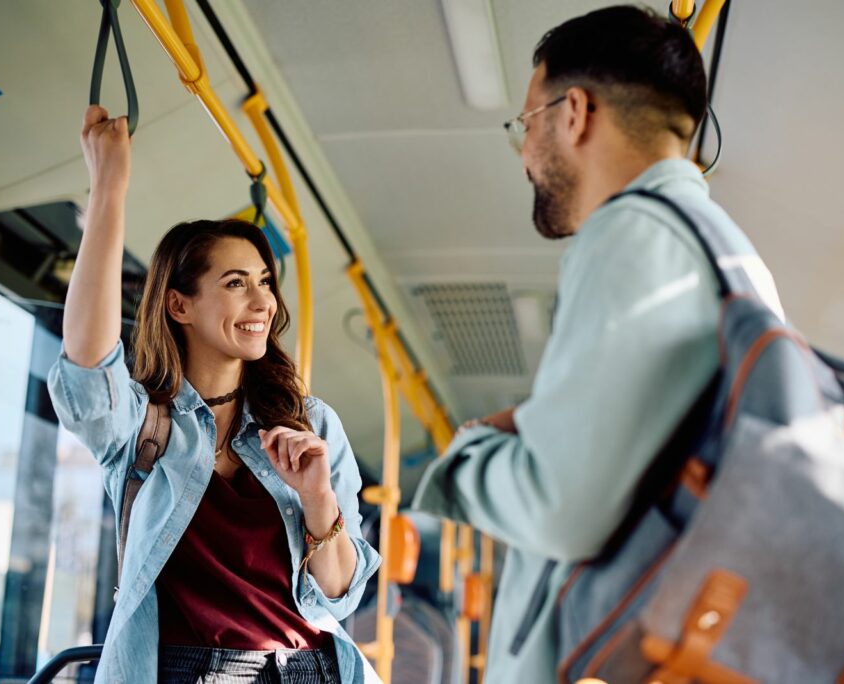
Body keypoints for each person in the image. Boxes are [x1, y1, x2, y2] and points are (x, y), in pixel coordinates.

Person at [412, 6, 782, 683]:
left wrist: (469, 455)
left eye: (525, 124)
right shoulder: (726, 252)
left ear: (573, 112)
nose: (524, 154)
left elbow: (561, 509)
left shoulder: (635, 233)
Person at [48, 105, 381, 683]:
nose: (264, 304)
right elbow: (86, 367)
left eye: (265, 284)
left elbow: (341, 593)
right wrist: (108, 189)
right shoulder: (143, 427)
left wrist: (318, 498)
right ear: (179, 305)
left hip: (310, 670)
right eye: (236, 284)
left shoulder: (311, 425)